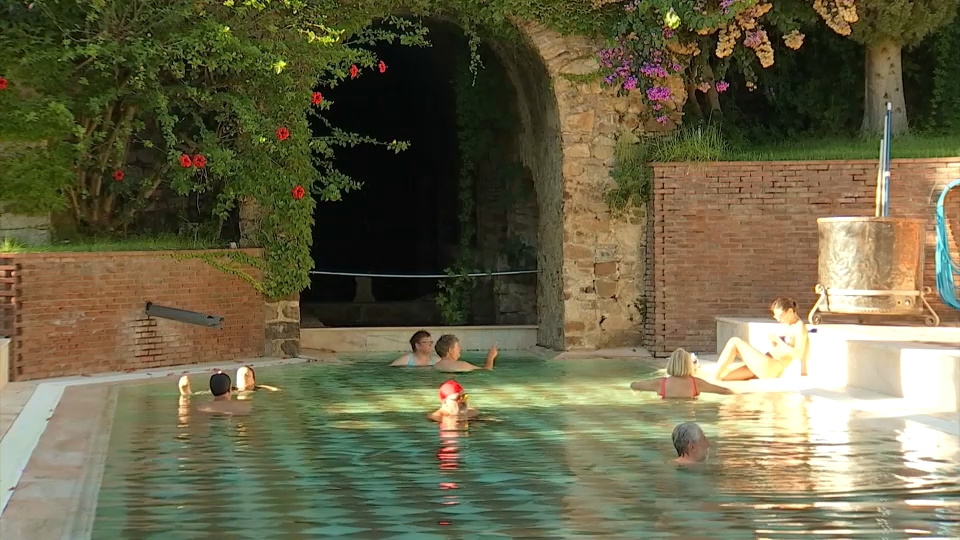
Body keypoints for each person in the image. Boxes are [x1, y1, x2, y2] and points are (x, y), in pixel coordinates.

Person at [714, 297, 810, 381]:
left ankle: (714, 377)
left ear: (789, 311)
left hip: (773, 366)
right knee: (722, 376)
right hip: (768, 364)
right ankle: (716, 377)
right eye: (776, 317)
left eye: (780, 316)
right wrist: (775, 344)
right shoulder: (790, 326)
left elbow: (798, 354)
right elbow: (785, 350)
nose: (778, 320)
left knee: (734, 342)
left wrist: (778, 341)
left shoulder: (799, 327)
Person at [630, 348, 734, 398]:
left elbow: (634, 385)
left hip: (667, 415)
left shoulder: (660, 383)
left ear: (671, 364)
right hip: (689, 416)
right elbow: (725, 391)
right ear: (688, 365)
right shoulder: (696, 383)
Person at [433, 334, 498, 373]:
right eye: (457, 347)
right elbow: (487, 371)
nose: (460, 349)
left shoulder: (436, 366)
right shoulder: (461, 365)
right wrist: (490, 357)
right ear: (450, 350)